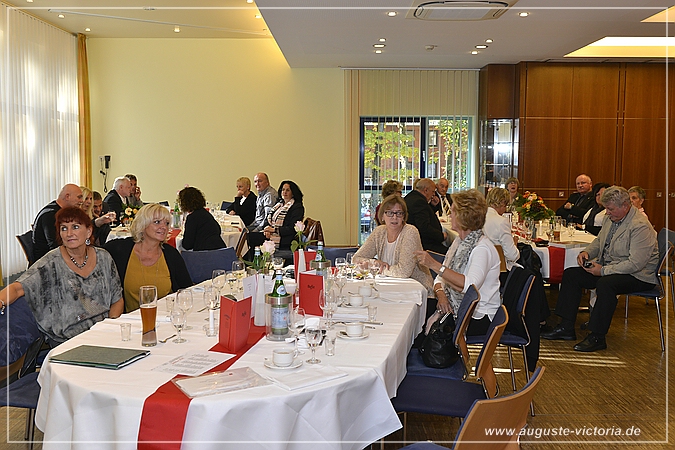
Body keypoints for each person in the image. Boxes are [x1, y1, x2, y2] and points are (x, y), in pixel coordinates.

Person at [542, 186, 659, 352]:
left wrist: (602, 271)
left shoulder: (640, 226)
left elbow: (636, 264)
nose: (607, 213)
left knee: (606, 284)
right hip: (612, 267)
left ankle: (597, 336)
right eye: (606, 209)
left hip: (639, 275)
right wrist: (587, 252)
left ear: (625, 206)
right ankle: (565, 327)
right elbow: (599, 240)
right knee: (571, 274)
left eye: (611, 209)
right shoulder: (611, 218)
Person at [1, 207, 123, 347]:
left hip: (104, 333)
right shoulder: (51, 262)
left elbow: (117, 299)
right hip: (68, 340)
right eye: (64, 228)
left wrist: (110, 327)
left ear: (88, 232)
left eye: (75, 227)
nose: (69, 233)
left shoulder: (104, 257)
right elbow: (17, 288)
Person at [414, 189, 501, 335]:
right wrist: (441, 294)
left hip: (478, 315)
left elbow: (470, 287)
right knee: (418, 309)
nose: (450, 215)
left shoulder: (482, 248)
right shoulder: (459, 242)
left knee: (421, 320)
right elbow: (441, 277)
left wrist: (434, 265)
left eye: (453, 212)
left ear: (463, 217)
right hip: (460, 306)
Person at [105, 204, 192, 312]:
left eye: (166, 223)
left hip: (164, 318)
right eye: (157, 222)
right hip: (130, 320)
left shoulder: (171, 255)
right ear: (142, 224)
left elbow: (186, 291)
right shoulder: (120, 250)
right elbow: (93, 254)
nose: (164, 227)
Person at [354, 194, 433, 297]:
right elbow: (356, 258)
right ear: (382, 216)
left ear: (404, 216)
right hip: (389, 288)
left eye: (399, 213)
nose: (394, 217)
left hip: (416, 292)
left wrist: (376, 268)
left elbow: (403, 272)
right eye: (390, 213)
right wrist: (374, 262)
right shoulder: (379, 232)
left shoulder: (410, 232)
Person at [249, 180, 305, 261]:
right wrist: (267, 230)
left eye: (288, 190)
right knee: (249, 237)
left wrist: (274, 230)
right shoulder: (279, 205)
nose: (284, 192)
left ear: (293, 193)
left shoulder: (297, 207)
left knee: (251, 238)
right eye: (283, 190)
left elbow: (292, 228)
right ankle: (251, 263)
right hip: (271, 234)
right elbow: (269, 219)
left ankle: (252, 263)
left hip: (284, 239)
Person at [32, 183, 84, 261]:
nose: (82, 201)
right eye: (79, 197)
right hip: (47, 262)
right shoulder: (50, 215)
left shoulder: (58, 211)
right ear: (67, 196)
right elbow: (55, 246)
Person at [404, 178, 448, 254]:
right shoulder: (419, 202)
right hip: (424, 244)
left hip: (418, 240)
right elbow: (423, 227)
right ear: (426, 190)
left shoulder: (411, 196)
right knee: (451, 254)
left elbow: (425, 215)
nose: (433, 194)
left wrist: (433, 206)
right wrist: (441, 236)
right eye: (433, 191)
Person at [179, 186, 226, 251]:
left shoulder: (192, 218)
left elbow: (187, 245)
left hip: (203, 254)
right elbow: (218, 230)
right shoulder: (206, 214)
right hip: (221, 251)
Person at [484, 187, 520, 271]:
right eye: (506, 206)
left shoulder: (478, 217)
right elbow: (513, 256)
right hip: (499, 268)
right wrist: (514, 244)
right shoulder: (501, 221)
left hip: (482, 265)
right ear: (502, 203)